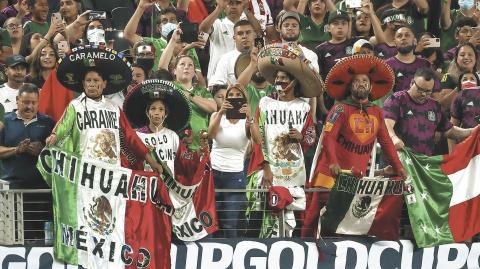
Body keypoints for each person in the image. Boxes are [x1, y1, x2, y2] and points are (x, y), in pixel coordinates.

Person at [303, 54, 407, 237]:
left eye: (365, 81)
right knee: (314, 215)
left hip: (356, 178)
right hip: (330, 173)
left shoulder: (376, 112)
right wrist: (333, 162)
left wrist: (398, 167)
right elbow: (328, 137)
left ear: (371, 86)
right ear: (350, 86)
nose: (361, 84)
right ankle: (306, 247)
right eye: (356, 81)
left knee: (346, 219)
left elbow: (386, 142)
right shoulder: (339, 109)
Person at [45, 47, 164, 173]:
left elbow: (130, 136)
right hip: (85, 171)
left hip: (112, 171)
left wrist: (151, 161)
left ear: (104, 84)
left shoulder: (114, 108)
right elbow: (64, 125)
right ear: (83, 84)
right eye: (88, 80)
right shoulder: (75, 106)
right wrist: (54, 135)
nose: (91, 84)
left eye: (96, 80)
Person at [247, 43, 321, 238]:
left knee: (291, 220)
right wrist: (265, 167)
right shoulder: (265, 103)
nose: (279, 81)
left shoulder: (303, 108)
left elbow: (312, 136)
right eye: (277, 78)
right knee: (265, 218)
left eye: (283, 78)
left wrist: (302, 137)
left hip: (294, 172)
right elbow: (259, 137)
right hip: (269, 171)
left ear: (293, 82)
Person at [384, 67, 477, 157]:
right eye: (420, 89)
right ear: (412, 82)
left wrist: (472, 131)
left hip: (424, 162)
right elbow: (387, 125)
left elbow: (450, 131)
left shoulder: (435, 106)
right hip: (398, 159)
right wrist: (394, 138)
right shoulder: (396, 99)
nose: (423, 94)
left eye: (428, 91)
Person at [158, 28, 217, 152]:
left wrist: (189, 96)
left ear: (195, 73)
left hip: (201, 147)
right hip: (177, 146)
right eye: (182, 64)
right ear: (174, 71)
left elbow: (213, 108)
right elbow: (162, 68)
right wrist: (173, 40)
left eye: (190, 65)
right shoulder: (171, 86)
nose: (186, 67)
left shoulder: (202, 91)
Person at [208, 84, 254, 237]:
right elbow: (211, 135)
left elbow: (258, 141)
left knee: (230, 220)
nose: (234, 98)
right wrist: (221, 112)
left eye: (238, 95)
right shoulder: (216, 115)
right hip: (213, 173)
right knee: (212, 219)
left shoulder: (247, 121)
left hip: (234, 176)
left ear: (244, 99)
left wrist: (250, 118)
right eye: (231, 95)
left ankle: (231, 253)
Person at [0, 83, 54, 188]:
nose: (29, 106)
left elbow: (58, 153)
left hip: (41, 187)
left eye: (33, 103)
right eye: (25, 102)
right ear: (17, 100)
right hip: (10, 187)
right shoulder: (4, 121)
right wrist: (16, 150)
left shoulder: (48, 122)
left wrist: (43, 151)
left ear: (38, 102)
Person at [199, 0, 262, 81]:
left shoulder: (247, 27)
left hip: (242, 80)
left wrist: (246, 9)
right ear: (224, 8)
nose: (234, 6)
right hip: (219, 82)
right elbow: (202, 30)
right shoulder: (218, 24)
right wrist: (218, 8)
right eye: (230, 3)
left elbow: (259, 33)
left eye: (238, 3)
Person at [386, 26, 440, 95]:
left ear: (414, 41)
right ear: (394, 42)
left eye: (407, 35)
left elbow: (435, 92)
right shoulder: (387, 65)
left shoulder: (425, 64)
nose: (403, 38)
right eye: (399, 36)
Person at [209, 20, 256, 86]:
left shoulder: (263, 56)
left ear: (254, 35)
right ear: (234, 38)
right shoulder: (226, 59)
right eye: (240, 33)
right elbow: (216, 84)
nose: (244, 36)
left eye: (248, 32)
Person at [450, 71, 480, 150]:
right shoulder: (458, 98)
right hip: (467, 145)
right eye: (465, 79)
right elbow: (452, 128)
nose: (468, 81)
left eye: (472, 79)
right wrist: (452, 155)